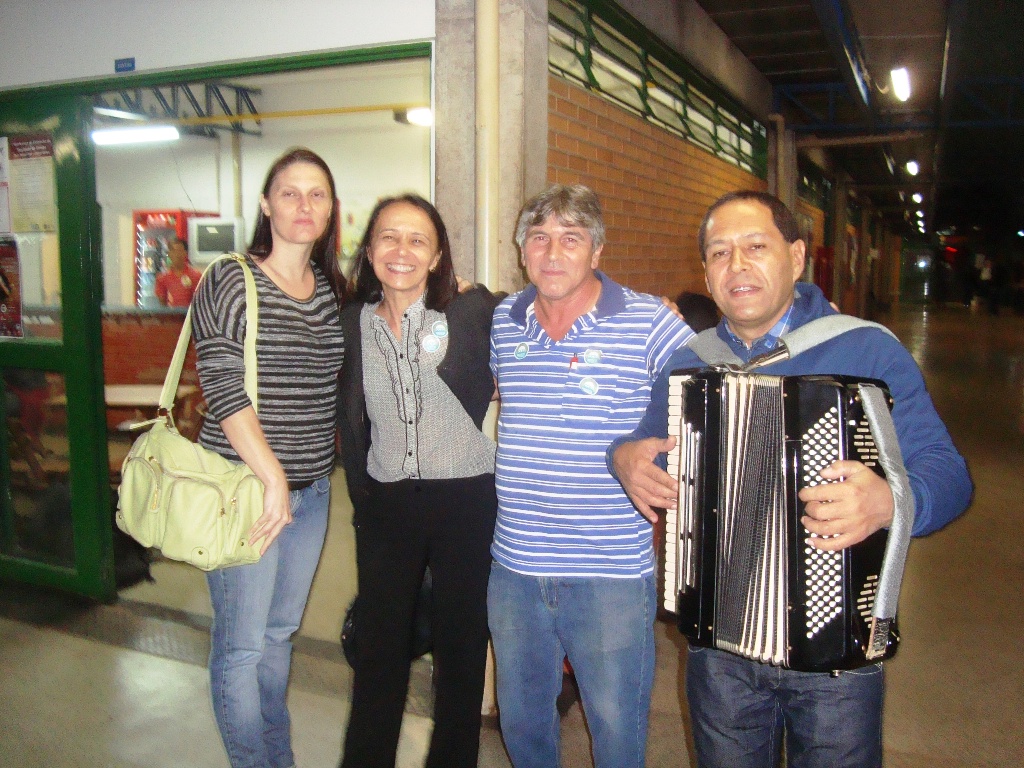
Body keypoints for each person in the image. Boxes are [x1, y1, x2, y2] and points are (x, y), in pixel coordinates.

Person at [609, 190, 973, 768]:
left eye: (756, 247)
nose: (737, 265)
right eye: (720, 252)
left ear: (797, 257)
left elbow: (948, 473)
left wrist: (889, 502)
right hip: (719, 648)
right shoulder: (690, 362)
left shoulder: (866, 349)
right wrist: (623, 458)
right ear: (706, 272)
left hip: (835, 656)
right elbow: (644, 448)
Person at [488, 184, 693, 767]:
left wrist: (645, 456)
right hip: (516, 570)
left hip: (610, 575)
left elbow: (707, 390)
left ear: (597, 251)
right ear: (521, 250)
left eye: (571, 239)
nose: (553, 253)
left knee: (617, 731)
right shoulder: (504, 320)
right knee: (523, 726)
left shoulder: (649, 321)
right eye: (539, 238)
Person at [191, 148, 346, 768]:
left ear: (331, 210)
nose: (304, 205)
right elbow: (222, 386)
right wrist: (272, 478)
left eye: (317, 194)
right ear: (266, 205)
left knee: (279, 637)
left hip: (312, 494)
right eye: (290, 193)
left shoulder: (332, 291)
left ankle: (276, 759)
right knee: (242, 648)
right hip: (245, 491)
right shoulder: (230, 278)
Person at [337, 194, 499, 768]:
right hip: (387, 502)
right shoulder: (353, 323)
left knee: (460, 651)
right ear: (369, 251)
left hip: (466, 500)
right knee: (379, 650)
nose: (401, 250)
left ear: (436, 257)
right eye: (388, 236)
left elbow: (541, 310)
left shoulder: (471, 312)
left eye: (417, 240)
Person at [155, 237, 203, 307]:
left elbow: (200, 301)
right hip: (171, 314)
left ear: (185, 253)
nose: (177, 254)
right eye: (173, 251)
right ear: (169, 254)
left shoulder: (196, 276)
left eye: (179, 251)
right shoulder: (162, 278)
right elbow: (162, 305)